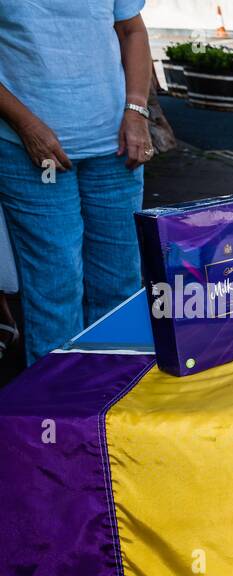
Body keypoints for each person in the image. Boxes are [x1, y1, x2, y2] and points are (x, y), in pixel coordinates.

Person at [0, 1, 154, 366]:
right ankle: (57, 412)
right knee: (55, 287)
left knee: (120, 284)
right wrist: (26, 125)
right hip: (31, 154)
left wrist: (137, 110)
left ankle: (114, 402)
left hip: (116, 149)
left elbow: (133, 30)